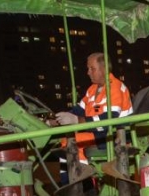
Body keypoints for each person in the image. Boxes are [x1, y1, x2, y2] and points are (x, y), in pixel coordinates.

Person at [52, 52, 133, 185]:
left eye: (92, 69)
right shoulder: (92, 90)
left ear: (104, 69)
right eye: (88, 68)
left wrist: (77, 120)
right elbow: (79, 110)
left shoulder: (115, 87)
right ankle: (70, 184)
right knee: (66, 140)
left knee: (74, 142)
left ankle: (82, 186)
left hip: (113, 135)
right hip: (99, 133)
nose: (88, 72)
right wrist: (56, 120)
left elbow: (109, 119)